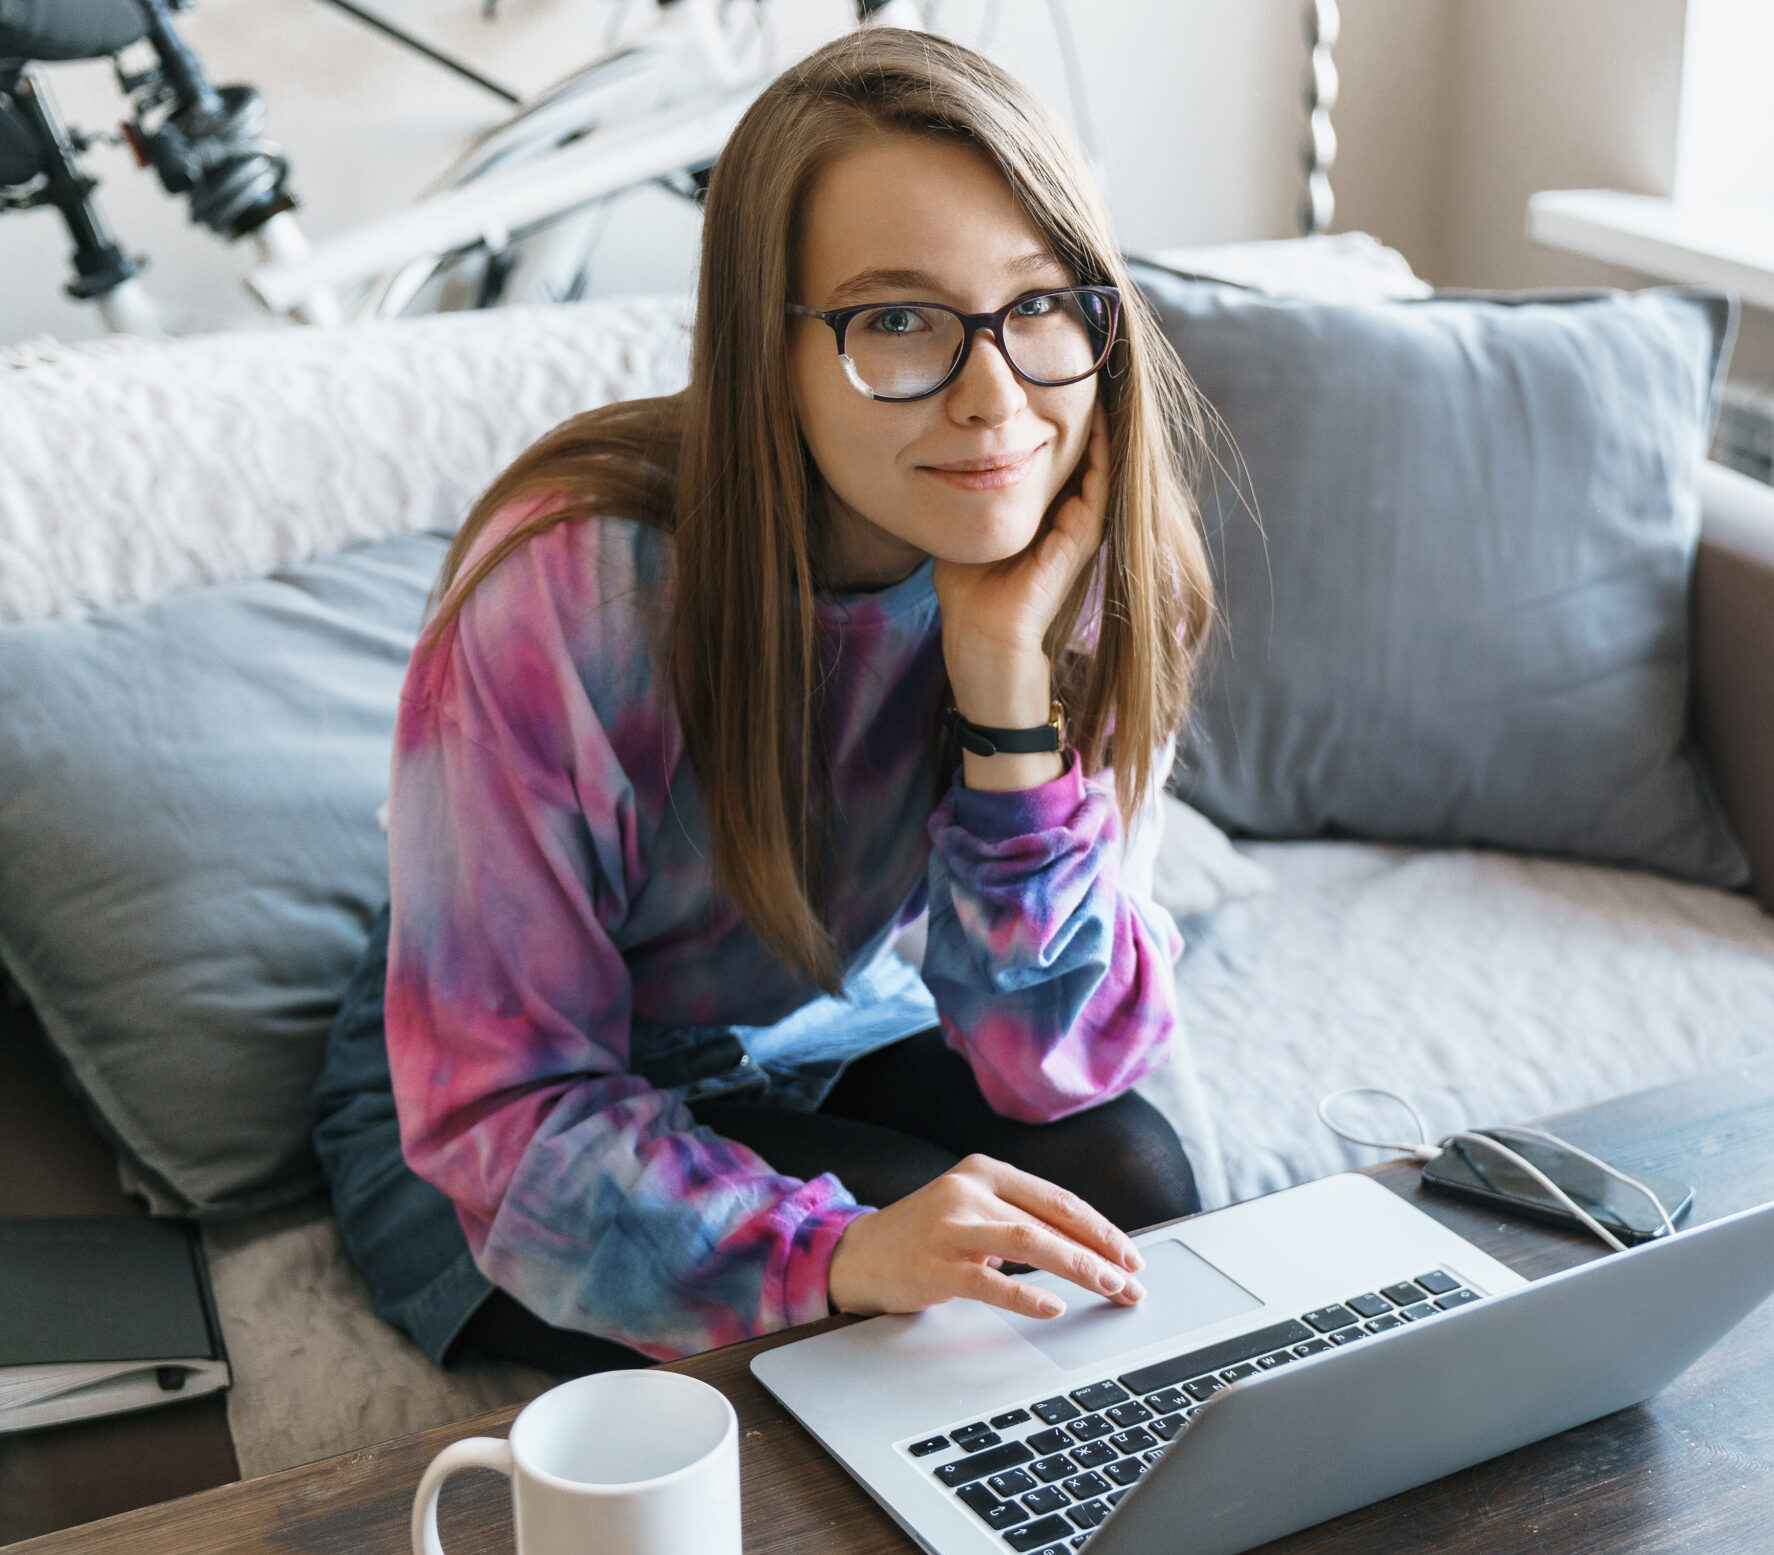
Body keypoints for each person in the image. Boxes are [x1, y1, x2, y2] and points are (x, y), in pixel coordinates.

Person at [310, 28, 1217, 1377]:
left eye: (1036, 305)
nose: (994, 400)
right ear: (764, 350)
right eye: (897, 321)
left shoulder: (1054, 544)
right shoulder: (573, 594)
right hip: (510, 1122)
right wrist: (839, 1255)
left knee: (1128, 1187)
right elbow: (503, 1106)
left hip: (805, 1039)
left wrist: (1005, 692)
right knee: (911, 1310)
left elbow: (1051, 1062)